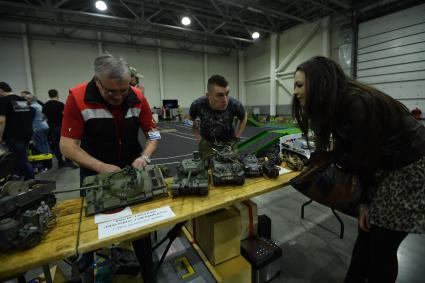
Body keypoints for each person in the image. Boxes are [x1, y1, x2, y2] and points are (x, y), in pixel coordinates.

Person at [291, 56, 425, 283]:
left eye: (300, 85)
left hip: (408, 168)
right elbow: (358, 157)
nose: (295, 92)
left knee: (382, 245)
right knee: (366, 235)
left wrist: (364, 201)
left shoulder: (356, 103)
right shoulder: (338, 106)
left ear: (320, 84)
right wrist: (365, 202)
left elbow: (361, 159)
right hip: (384, 169)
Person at [60, 54, 160, 186]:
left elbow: (154, 134)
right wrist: (100, 166)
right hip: (94, 172)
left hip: (133, 168)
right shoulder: (77, 98)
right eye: (111, 91)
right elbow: (67, 145)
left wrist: (144, 157)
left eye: (124, 90)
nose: (118, 97)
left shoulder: (138, 96)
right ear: (97, 81)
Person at [189, 74, 247, 158]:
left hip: (229, 142)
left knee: (233, 167)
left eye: (227, 93)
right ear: (208, 96)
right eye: (220, 95)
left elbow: (244, 117)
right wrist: (200, 140)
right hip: (207, 142)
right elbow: (190, 121)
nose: (225, 100)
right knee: (207, 168)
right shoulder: (198, 105)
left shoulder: (235, 104)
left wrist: (236, 137)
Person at [0, 82, 35, 180]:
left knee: (21, 160)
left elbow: (1, 121)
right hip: (26, 134)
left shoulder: (3, 101)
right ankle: (20, 177)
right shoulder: (22, 100)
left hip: (13, 135)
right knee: (21, 158)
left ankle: (32, 182)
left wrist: (0, 136)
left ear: (1, 90)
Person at [42, 89, 72, 168]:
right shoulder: (60, 104)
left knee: (56, 145)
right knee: (65, 144)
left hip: (52, 127)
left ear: (49, 95)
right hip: (62, 126)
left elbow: (44, 117)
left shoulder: (45, 105)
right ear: (57, 94)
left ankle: (60, 162)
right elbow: (66, 115)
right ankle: (68, 161)